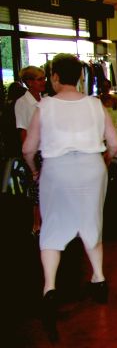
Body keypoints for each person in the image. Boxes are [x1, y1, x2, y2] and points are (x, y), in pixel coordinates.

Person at [22, 53, 117, 342]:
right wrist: (103, 162)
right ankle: (99, 279)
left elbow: (28, 148)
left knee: (53, 226)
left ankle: (50, 288)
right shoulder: (95, 104)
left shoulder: (45, 106)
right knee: (92, 221)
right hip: (92, 168)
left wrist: (34, 170)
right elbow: (115, 143)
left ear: (54, 77)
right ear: (79, 76)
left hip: (57, 169)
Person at [15, 65, 47, 234]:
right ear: (29, 82)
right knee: (38, 189)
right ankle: (37, 223)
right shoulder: (23, 103)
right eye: (40, 79)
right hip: (36, 150)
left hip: (48, 148)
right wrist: (30, 156)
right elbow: (23, 132)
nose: (44, 82)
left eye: (43, 78)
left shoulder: (44, 100)